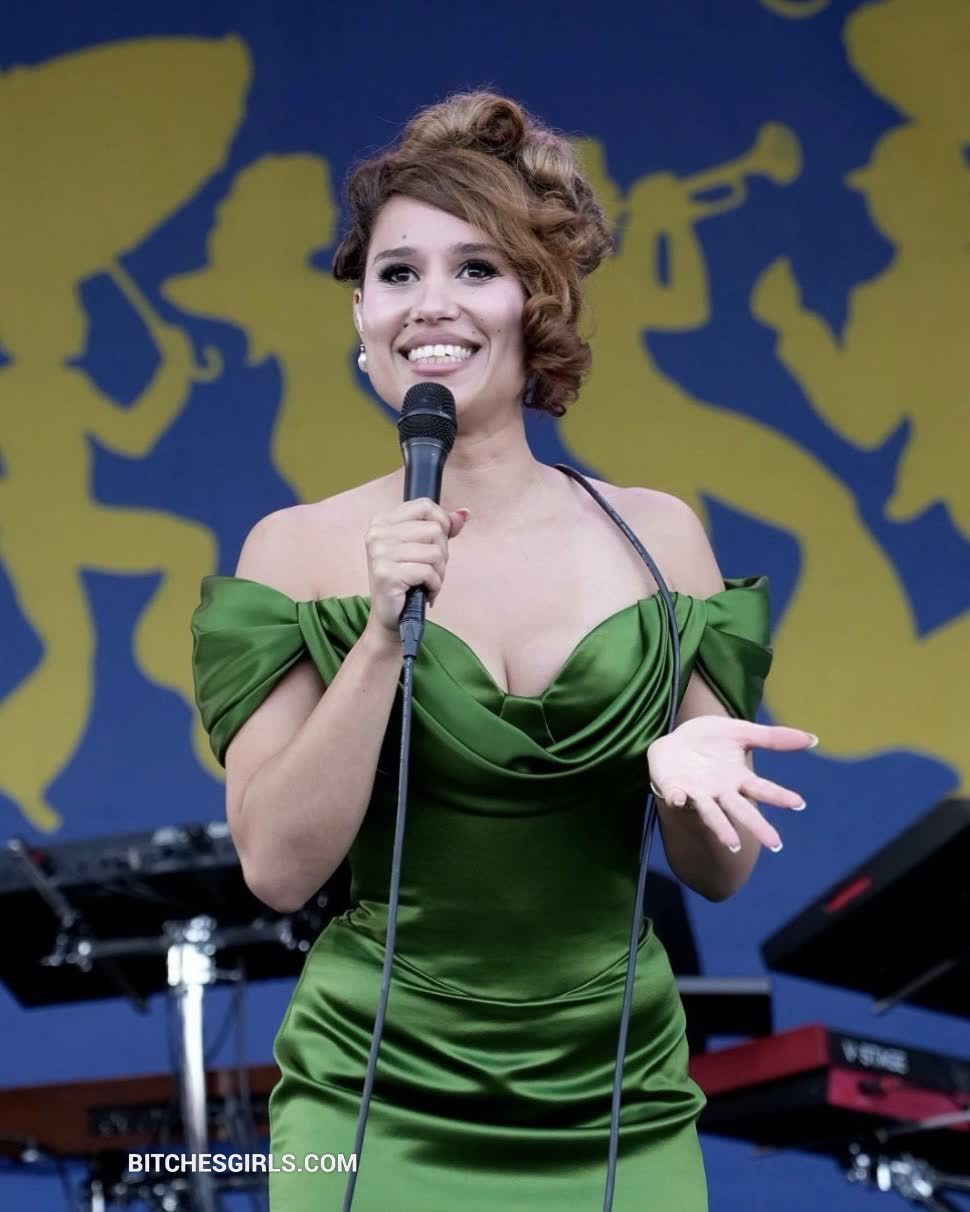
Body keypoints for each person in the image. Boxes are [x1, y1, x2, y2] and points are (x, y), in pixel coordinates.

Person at [190, 91, 814, 1212]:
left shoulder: (658, 535)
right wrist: (381, 637)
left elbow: (720, 874)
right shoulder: (293, 549)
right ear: (362, 315)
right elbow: (277, 868)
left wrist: (682, 778)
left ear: (538, 299)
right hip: (373, 1097)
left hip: (615, 1099)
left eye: (475, 268)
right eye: (398, 273)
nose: (431, 303)